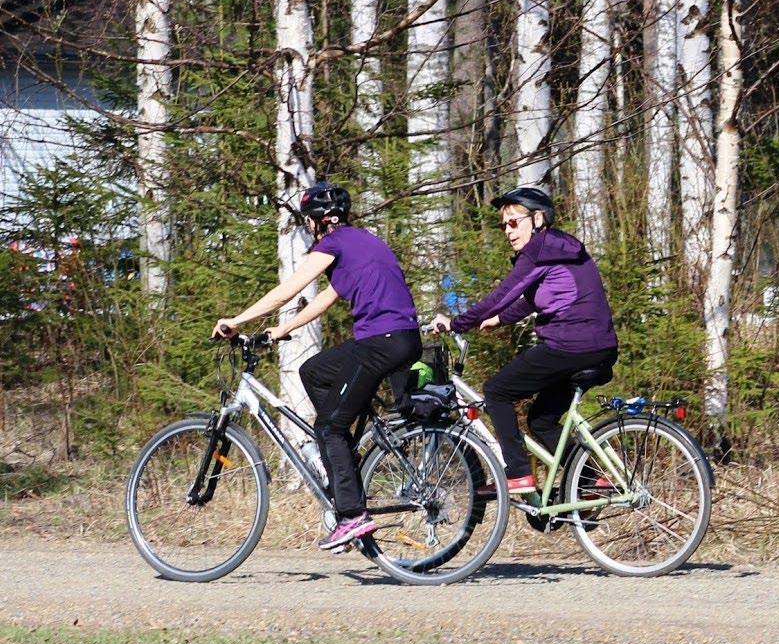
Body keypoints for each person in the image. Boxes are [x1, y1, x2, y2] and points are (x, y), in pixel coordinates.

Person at [213, 182, 421, 548]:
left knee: (328, 426)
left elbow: (290, 289)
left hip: (381, 342)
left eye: (308, 220)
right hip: (401, 338)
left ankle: (352, 515)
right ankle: (341, 460)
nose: (308, 227)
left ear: (320, 220)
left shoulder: (334, 242)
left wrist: (237, 320)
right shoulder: (363, 242)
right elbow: (327, 297)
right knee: (315, 371)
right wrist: (283, 329)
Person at [428, 187, 618, 495]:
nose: (507, 230)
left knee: (496, 390)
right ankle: (592, 480)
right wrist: (498, 319)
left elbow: (504, 293)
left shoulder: (538, 250)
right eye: (504, 224)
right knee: (541, 420)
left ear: (538, 218)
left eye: (514, 222)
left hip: (571, 344)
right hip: (596, 346)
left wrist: (457, 322)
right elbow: (533, 298)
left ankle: (517, 473)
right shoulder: (559, 247)